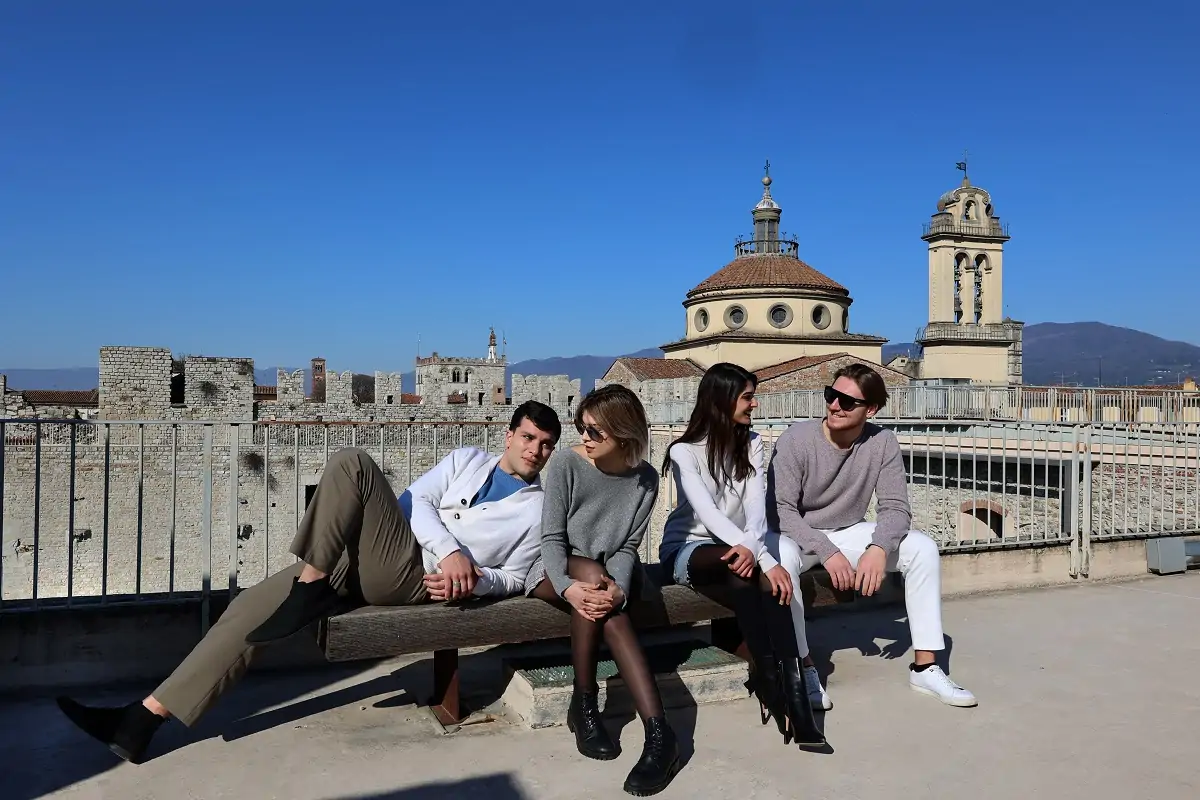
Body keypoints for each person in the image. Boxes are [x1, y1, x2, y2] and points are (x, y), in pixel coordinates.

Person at [55, 400, 562, 764]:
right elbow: (412, 503)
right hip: (383, 552)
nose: (535, 450)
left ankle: (311, 585)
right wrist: (450, 547)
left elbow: (515, 577)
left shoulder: (536, 509)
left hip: (416, 578)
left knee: (352, 462)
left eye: (545, 445)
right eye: (528, 438)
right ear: (508, 435)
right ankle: (142, 720)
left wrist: (471, 578)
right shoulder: (465, 459)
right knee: (249, 608)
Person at [766, 363, 977, 708]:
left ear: (871, 409)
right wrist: (826, 550)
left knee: (922, 548)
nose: (835, 406)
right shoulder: (796, 439)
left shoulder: (882, 442)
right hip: (797, 533)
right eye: (831, 395)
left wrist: (879, 548)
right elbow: (780, 511)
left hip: (848, 531)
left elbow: (896, 507)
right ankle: (802, 668)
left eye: (847, 401)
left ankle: (925, 668)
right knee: (783, 559)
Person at [658, 362, 824, 748]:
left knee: (758, 580)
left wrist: (755, 551)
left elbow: (755, 510)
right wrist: (766, 560)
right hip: (689, 548)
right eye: (748, 397)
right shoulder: (683, 452)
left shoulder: (752, 443)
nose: (754, 404)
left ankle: (790, 695)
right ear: (722, 399)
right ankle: (774, 684)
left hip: (742, 547)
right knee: (752, 572)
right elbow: (709, 516)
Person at [526, 384, 680, 797]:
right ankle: (633, 722)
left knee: (605, 596)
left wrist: (619, 592)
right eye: (582, 427)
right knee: (592, 578)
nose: (585, 437)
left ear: (624, 434)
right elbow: (552, 539)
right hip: (552, 569)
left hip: (606, 574)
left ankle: (650, 733)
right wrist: (567, 589)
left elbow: (628, 546)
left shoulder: (645, 480)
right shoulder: (566, 464)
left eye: (595, 431)